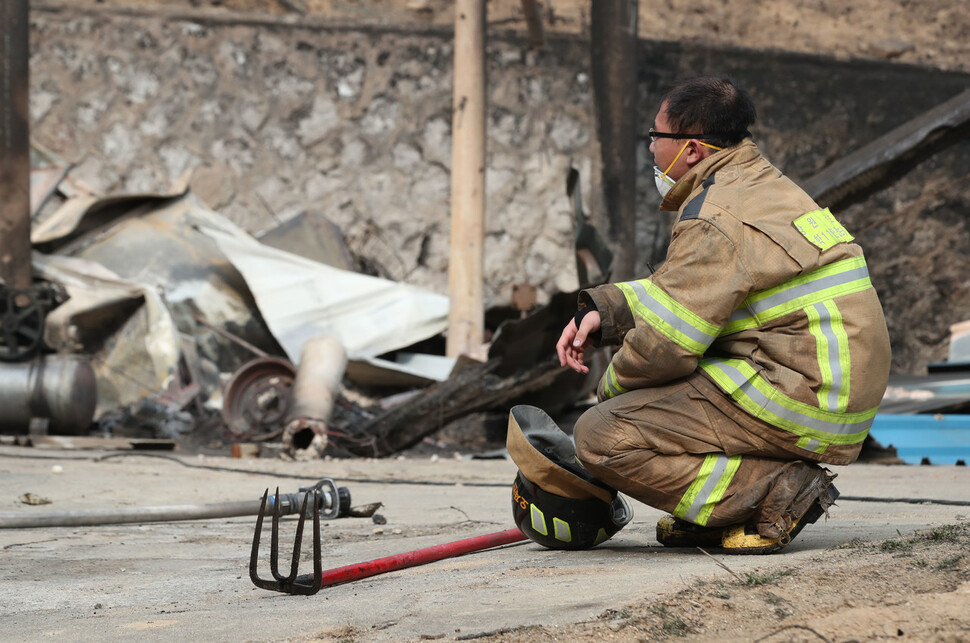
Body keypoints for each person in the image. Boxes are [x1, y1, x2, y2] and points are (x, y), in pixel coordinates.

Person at [555, 75, 891, 554]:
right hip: (826, 384)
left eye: (656, 137)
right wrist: (603, 311)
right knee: (654, 404)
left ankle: (774, 491)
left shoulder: (716, 217)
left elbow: (666, 346)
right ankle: (723, 509)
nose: (651, 150)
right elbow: (688, 292)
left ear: (690, 149)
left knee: (602, 435)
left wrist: (606, 394)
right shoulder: (754, 184)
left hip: (800, 393)